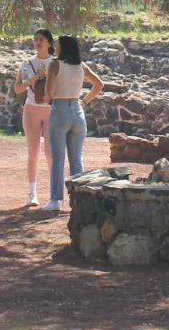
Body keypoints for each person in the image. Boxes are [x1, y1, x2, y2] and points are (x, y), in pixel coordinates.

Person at [42, 35, 105, 212]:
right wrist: (84, 102)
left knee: (57, 159)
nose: (55, 47)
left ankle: (55, 199)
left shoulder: (55, 64)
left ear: (63, 47)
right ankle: (80, 199)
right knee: (76, 158)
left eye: (57, 44)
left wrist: (48, 99)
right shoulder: (81, 66)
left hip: (60, 109)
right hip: (77, 110)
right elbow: (99, 85)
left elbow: (48, 92)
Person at [13, 29, 56, 206]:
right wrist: (33, 80)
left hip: (51, 110)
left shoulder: (56, 63)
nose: (38, 42)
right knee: (33, 151)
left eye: (42, 40)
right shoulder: (26, 63)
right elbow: (17, 88)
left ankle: (54, 193)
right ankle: (32, 193)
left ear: (50, 43)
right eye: (36, 39)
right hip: (32, 109)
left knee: (50, 153)